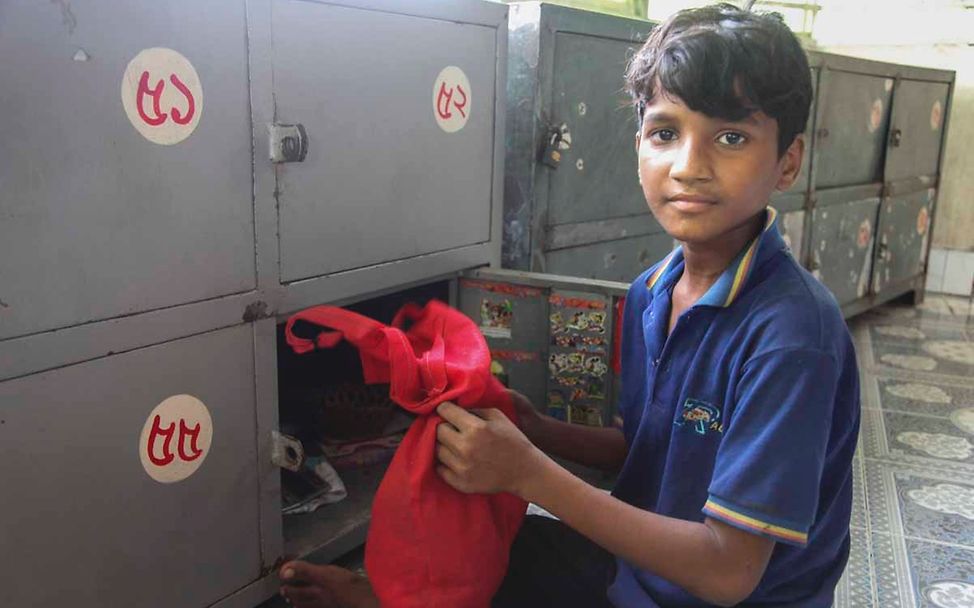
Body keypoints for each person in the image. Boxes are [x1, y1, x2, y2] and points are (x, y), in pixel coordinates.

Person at [277, 3, 860, 606]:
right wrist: (535, 429)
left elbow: (728, 572)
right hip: (640, 575)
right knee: (498, 545)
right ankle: (392, 595)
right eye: (665, 133)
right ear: (639, 148)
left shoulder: (792, 338)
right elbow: (650, 449)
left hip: (715, 593)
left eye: (731, 137)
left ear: (787, 160)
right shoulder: (653, 293)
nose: (689, 166)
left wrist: (528, 471)